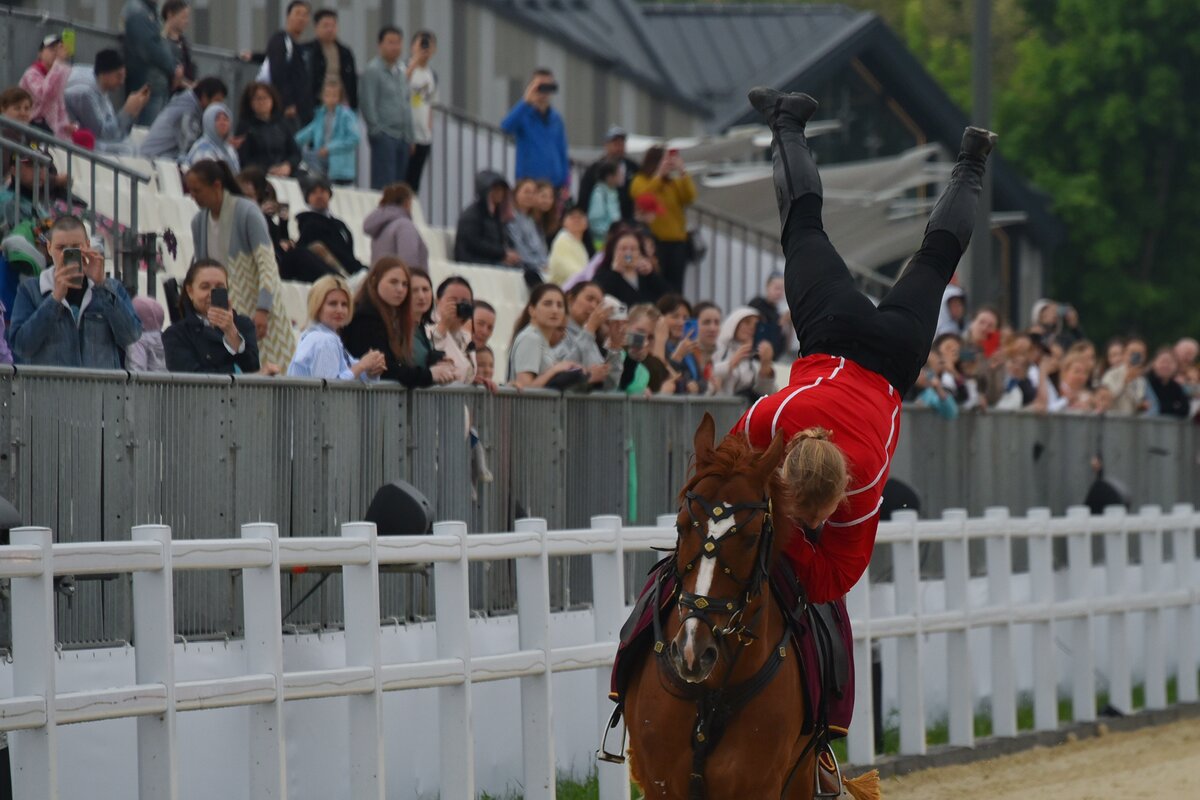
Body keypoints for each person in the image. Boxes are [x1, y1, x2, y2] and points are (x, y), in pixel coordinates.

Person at [736, 87, 996, 604]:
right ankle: (785, 123)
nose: (818, 526)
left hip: (891, 358)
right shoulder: (786, 426)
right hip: (833, 333)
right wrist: (784, 519)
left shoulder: (859, 480)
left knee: (936, 260)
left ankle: (972, 159)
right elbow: (831, 584)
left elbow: (827, 579)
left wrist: (778, 524)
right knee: (802, 229)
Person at [186, 159, 295, 366]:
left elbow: (267, 264)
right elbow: (200, 269)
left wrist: (263, 309)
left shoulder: (247, 212)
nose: (193, 196)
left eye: (197, 190)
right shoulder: (198, 222)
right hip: (222, 316)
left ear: (216, 186)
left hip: (259, 313)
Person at [8, 215, 141, 368]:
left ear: (88, 246)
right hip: (52, 390)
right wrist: (54, 299)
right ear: (49, 248)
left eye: (75, 247)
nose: (67, 254)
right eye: (61, 248)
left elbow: (131, 336)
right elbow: (21, 347)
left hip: (100, 390)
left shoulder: (111, 288)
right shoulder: (31, 290)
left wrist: (101, 285)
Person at [341, 256, 454, 387]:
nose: (400, 289)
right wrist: (429, 375)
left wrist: (433, 362)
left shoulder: (388, 319)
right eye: (393, 282)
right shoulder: (365, 319)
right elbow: (387, 369)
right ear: (374, 281)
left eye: (405, 284)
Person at [236, 166, 335, 284]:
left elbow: (276, 242)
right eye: (247, 196)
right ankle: (335, 282)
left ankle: (337, 281)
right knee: (299, 256)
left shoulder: (263, 220)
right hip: (260, 269)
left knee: (310, 251)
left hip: (274, 264)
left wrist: (283, 224)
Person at [162, 258, 261, 374]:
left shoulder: (243, 324)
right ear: (190, 291)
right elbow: (192, 378)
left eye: (219, 287)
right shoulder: (176, 334)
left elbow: (252, 368)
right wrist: (236, 370)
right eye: (205, 287)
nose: (211, 293)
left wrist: (231, 333)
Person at [289, 275, 386, 381]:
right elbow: (328, 389)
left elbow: (350, 374)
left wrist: (371, 369)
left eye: (344, 304)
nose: (339, 310)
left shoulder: (322, 336)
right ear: (317, 306)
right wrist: (362, 365)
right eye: (333, 304)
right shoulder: (324, 340)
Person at [629, 145, 697, 292]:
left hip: (677, 241)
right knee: (657, 282)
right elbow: (642, 197)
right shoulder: (641, 180)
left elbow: (690, 196)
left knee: (676, 285)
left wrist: (682, 171)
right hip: (655, 241)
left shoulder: (672, 183)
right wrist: (659, 175)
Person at [64, 49, 149, 154]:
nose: (121, 82)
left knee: (134, 144)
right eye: (118, 76)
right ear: (105, 74)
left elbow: (111, 124)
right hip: (74, 140)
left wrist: (133, 110)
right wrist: (127, 111)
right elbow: (102, 134)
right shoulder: (85, 93)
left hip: (91, 137)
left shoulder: (98, 83)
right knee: (126, 150)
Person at [361, 25, 415, 190]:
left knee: (399, 186)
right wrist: (376, 130)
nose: (395, 47)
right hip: (385, 135)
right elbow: (367, 102)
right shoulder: (373, 70)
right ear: (380, 45)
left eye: (398, 43)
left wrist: (410, 136)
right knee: (384, 185)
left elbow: (406, 104)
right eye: (390, 42)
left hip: (402, 136)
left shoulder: (401, 70)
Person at [500, 69, 569, 194]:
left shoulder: (556, 118)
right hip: (529, 183)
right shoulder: (523, 114)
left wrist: (566, 182)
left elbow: (562, 151)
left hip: (553, 186)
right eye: (540, 86)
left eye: (548, 86)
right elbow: (506, 128)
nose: (544, 91)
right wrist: (525, 101)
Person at [509, 283, 584, 389]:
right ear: (532, 310)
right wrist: (555, 369)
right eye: (547, 304)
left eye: (560, 305)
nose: (555, 310)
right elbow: (525, 389)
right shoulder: (531, 338)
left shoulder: (540, 340)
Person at [139, 76, 227, 160]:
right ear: (204, 97)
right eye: (216, 101)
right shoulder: (187, 111)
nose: (218, 107)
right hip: (155, 159)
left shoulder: (189, 104)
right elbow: (189, 148)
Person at [295, 176, 366, 276]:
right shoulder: (308, 224)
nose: (319, 196)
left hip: (350, 270)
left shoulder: (340, 225)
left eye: (322, 191)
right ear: (308, 198)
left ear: (329, 194)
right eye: (314, 192)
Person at [122, 0, 178, 125]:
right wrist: (173, 68)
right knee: (145, 133)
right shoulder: (137, 11)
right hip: (147, 85)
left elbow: (161, 44)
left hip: (157, 84)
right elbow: (151, 49)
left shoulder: (150, 11)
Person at [294, 77, 360, 184]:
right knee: (306, 157)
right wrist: (291, 141)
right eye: (327, 95)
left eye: (334, 95)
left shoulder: (347, 115)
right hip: (321, 162)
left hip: (340, 166)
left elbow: (354, 138)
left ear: (340, 97)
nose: (330, 98)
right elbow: (309, 131)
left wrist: (329, 148)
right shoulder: (320, 114)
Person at [454, 171, 521, 269]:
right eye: (496, 190)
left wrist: (508, 254)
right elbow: (474, 243)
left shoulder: (497, 215)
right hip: (474, 262)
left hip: (492, 260)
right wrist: (502, 254)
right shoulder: (472, 215)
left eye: (502, 190)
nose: (500, 194)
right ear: (486, 192)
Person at [593, 224, 670, 308]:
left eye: (633, 249)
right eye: (623, 249)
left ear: (640, 252)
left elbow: (667, 297)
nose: (628, 253)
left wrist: (651, 274)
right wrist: (614, 274)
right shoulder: (604, 273)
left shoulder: (646, 275)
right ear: (613, 251)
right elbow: (599, 295)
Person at [557, 281, 617, 387]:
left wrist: (615, 348)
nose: (594, 306)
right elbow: (562, 370)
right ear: (570, 299)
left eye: (598, 303)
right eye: (589, 299)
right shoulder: (557, 331)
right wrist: (590, 328)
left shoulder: (591, 337)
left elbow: (607, 385)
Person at [236, 81, 302, 177]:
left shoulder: (282, 124)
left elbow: (295, 153)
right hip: (258, 175)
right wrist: (267, 169)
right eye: (257, 99)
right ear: (250, 102)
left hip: (285, 172)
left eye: (265, 98)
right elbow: (244, 159)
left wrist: (288, 166)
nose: (262, 102)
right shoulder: (245, 127)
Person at [265, 0, 314, 125]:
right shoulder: (281, 40)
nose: (301, 18)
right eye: (297, 13)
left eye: (305, 15)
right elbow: (278, 73)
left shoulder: (298, 46)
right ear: (288, 17)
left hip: (302, 110)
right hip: (288, 111)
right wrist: (287, 103)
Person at [20, 34, 77, 140]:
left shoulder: (55, 73)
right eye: (51, 49)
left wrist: (65, 125)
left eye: (58, 50)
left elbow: (59, 106)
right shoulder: (32, 74)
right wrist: (59, 63)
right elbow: (46, 95)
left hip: (51, 131)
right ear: (40, 53)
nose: (56, 53)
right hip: (33, 127)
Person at [578, 126, 639, 224]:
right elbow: (584, 197)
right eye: (615, 144)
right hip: (602, 225)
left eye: (621, 144)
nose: (619, 148)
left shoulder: (633, 167)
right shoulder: (594, 169)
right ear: (606, 145)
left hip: (628, 220)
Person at [712, 307, 775, 402]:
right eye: (747, 322)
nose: (752, 328)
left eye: (756, 325)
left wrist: (765, 366)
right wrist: (731, 363)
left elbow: (764, 394)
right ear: (734, 324)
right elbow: (708, 376)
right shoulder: (718, 349)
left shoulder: (754, 358)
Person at [301, 9, 358, 113]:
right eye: (325, 25)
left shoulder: (345, 52)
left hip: (342, 104)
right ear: (316, 27)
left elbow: (352, 81)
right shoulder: (307, 51)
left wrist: (353, 105)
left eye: (333, 25)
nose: (330, 29)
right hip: (317, 104)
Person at [422, 276, 476, 385]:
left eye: (465, 302)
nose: (459, 305)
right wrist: (443, 325)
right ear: (437, 301)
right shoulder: (426, 331)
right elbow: (432, 356)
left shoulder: (466, 338)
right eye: (453, 300)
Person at [363, 182, 428, 269]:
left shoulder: (381, 227)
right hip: (402, 280)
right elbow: (409, 262)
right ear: (407, 202)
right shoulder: (404, 226)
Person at [405, 30, 438, 193]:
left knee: (414, 183)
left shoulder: (433, 75)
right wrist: (415, 61)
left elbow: (431, 103)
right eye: (421, 44)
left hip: (424, 136)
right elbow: (399, 87)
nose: (425, 48)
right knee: (402, 179)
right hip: (407, 133)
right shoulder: (405, 67)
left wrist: (429, 129)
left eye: (428, 45)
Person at [507, 178, 550, 281]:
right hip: (524, 270)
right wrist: (538, 265)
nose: (530, 196)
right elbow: (519, 248)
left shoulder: (533, 220)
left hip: (541, 268)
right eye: (526, 192)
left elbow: (541, 248)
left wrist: (545, 264)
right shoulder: (511, 218)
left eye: (533, 193)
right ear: (516, 193)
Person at [1101, 337, 1149, 416]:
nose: (1136, 357)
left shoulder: (1141, 380)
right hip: (1111, 422)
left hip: (1130, 424)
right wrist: (1124, 382)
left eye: (1140, 354)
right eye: (1132, 353)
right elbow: (1106, 398)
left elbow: (1137, 404)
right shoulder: (1111, 374)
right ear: (1124, 354)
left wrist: (1142, 406)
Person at [160, 1, 197, 101]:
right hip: (172, 96)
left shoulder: (185, 42)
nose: (187, 21)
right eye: (183, 17)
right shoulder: (162, 42)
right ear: (170, 15)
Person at [186, 102, 240, 170]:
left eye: (225, 119)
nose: (222, 123)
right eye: (217, 119)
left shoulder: (230, 149)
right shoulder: (202, 149)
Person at [747, 271, 788, 357]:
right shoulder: (757, 304)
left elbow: (781, 347)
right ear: (767, 287)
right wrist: (781, 322)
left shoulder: (777, 313)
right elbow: (761, 339)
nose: (779, 292)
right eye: (777, 288)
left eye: (782, 289)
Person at [548, 203, 589, 286]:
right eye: (572, 217)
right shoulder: (562, 240)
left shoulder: (580, 245)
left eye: (580, 217)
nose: (576, 220)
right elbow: (564, 267)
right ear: (563, 222)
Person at [587, 161, 623, 249]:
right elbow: (594, 220)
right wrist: (609, 233)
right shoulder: (599, 194)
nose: (621, 177)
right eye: (618, 174)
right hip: (601, 242)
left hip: (613, 239)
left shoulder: (613, 192)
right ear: (609, 177)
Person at [690, 300, 723, 394]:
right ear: (694, 324)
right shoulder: (686, 353)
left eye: (717, 323)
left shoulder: (726, 353)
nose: (712, 328)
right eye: (706, 322)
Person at [1146, 347, 1189, 418]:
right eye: (1162, 362)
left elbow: (1185, 409)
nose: (1165, 365)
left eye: (1169, 362)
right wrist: (1173, 406)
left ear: (1176, 366)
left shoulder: (1177, 387)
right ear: (1154, 363)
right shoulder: (1145, 383)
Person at [127, 296, 167, 371]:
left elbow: (137, 367)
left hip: (146, 381)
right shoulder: (163, 338)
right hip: (164, 381)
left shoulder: (138, 340)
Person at [408, 267, 434, 367]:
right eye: (414, 290)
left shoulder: (425, 330)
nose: (421, 296)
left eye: (425, 289)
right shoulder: (395, 331)